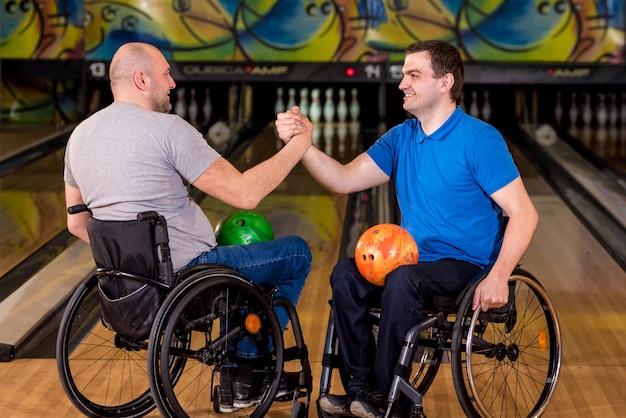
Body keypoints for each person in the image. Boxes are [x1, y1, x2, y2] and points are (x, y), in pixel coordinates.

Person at [275, 40, 539, 418]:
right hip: (411, 262)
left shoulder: (480, 140)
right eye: (403, 75)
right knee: (346, 273)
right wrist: (304, 146)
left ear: (445, 82)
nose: (402, 83)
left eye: (413, 74)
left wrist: (499, 276)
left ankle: (389, 397)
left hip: (466, 266)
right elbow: (344, 179)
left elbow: (525, 214)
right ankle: (360, 390)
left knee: (404, 281)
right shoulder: (402, 137)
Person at [63, 42, 313, 412]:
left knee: (231, 265)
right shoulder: (168, 130)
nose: (174, 83)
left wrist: (137, 261)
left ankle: (238, 369)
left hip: (128, 287)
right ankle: (247, 372)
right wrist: (299, 145)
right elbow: (245, 194)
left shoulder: (79, 136)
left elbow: (77, 223)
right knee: (296, 253)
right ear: (141, 78)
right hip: (191, 277)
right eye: (166, 73)